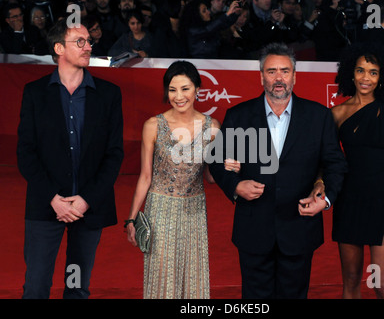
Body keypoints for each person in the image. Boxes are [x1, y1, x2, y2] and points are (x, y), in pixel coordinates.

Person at [208, 42, 347, 299]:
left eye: (285, 71)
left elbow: (335, 163)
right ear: (261, 76)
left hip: (299, 228)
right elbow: (216, 160)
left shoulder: (319, 116)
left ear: (295, 75)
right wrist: (235, 186)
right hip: (253, 229)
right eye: (272, 71)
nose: (279, 78)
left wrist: (325, 199)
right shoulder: (239, 116)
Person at [17, 17, 124, 299]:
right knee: (37, 287)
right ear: (59, 48)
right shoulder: (36, 94)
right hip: (45, 207)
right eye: (80, 41)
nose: (88, 46)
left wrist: (86, 199)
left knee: (76, 288)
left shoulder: (109, 95)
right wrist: (54, 198)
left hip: (87, 211)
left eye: (89, 41)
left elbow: (114, 155)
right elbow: (26, 153)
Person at [125, 60, 239, 299]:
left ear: (197, 89)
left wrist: (228, 168)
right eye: (173, 89)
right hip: (161, 210)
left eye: (185, 88)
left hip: (194, 211)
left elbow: (209, 176)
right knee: (162, 277)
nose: (179, 96)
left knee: (193, 277)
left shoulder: (213, 128)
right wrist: (132, 218)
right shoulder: (153, 125)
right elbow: (146, 176)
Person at [332, 42, 384, 299]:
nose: (366, 78)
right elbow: (327, 160)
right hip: (350, 200)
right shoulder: (337, 113)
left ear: (382, 76)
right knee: (352, 282)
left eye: (373, 72)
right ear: (350, 73)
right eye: (361, 70)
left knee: (380, 283)